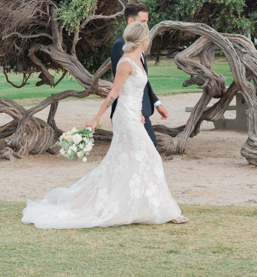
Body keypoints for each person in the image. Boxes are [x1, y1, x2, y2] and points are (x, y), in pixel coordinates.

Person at [21, 20, 188, 228]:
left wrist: (140, 113)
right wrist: (95, 119)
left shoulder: (138, 61)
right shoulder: (126, 63)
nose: (149, 41)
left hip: (134, 116)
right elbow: (113, 94)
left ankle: (145, 207)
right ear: (143, 41)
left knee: (124, 160)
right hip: (125, 118)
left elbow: (136, 92)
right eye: (147, 37)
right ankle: (165, 210)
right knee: (150, 156)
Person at [110, 3, 169, 147]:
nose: (147, 26)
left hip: (140, 109)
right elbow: (124, 84)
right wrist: (138, 112)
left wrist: (157, 103)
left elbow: (141, 79)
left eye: (147, 22)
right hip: (130, 112)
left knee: (145, 150)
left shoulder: (137, 45)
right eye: (143, 22)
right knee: (149, 147)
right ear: (131, 21)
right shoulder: (120, 46)